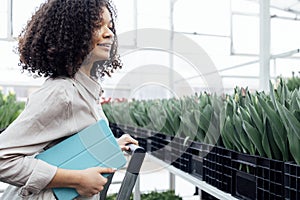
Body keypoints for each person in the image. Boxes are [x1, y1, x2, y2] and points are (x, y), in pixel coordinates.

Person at [0, 0, 138, 199]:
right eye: (97, 26)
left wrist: (110, 146)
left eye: (110, 26)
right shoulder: (62, 93)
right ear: (73, 34)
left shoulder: (86, 88)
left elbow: (64, 144)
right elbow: (3, 158)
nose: (109, 33)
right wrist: (77, 180)